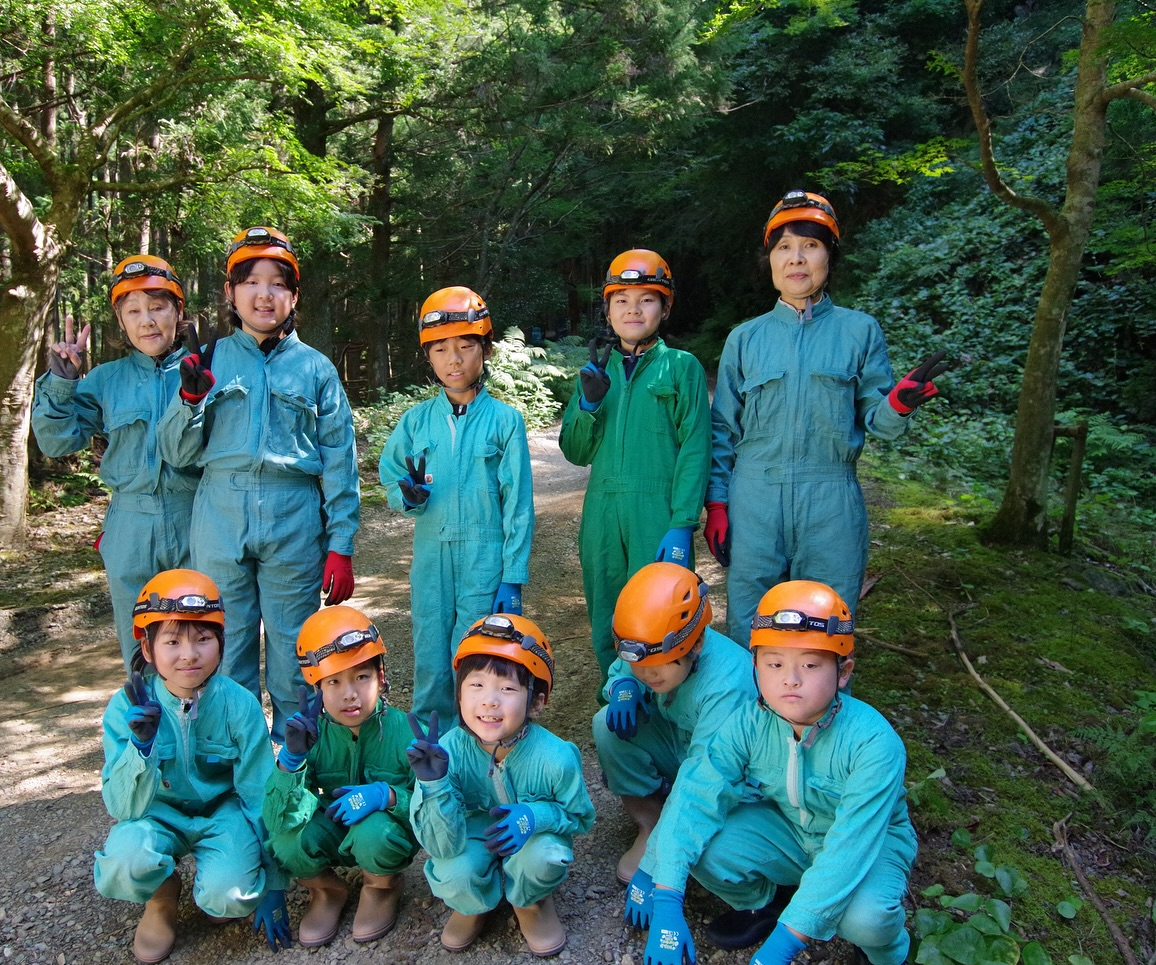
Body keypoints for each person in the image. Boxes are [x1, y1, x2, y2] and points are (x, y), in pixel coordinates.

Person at [641, 580, 916, 965]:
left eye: (809, 666)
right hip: (790, 829)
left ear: (843, 672)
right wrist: (666, 894)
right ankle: (763, 905)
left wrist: (784, 946)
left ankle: (885, 958)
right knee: (705, 848)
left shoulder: (873, 744)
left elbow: (849, 848)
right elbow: (696, 796)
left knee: (867, 919)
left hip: (865, 845)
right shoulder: (749, 723)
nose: (789, 680)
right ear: (755, 667)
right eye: (773, 664)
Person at [705, 191, 949, 646]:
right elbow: (723, 432)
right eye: (783, 247)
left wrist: (897, 404)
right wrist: (717, 504)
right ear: (770, 260)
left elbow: (877, 419)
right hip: (754, 500)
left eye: (810, 245)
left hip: (832, 503)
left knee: (828, 631)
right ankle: (749, 716)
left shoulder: (860, 331)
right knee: (748, 630)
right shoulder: (745, 338)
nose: (796, 258)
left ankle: (823, 716)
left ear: (830, 256)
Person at [158, 227, 360, 742]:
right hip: (220, 511)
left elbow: (339, 460)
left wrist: (340, 544)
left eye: (277, 284)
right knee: (227, 642)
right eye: (250, 282)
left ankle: (297, 761)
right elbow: (178, 456)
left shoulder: (315, 368)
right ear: (230, 293)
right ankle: (239, 760)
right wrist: (189, 401)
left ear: (294, 296)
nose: (263, 294)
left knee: (296, 646)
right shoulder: (205, 360)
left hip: (294, 514)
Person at [93, 569, 291, 964]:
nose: (188, 654)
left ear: (220, 643)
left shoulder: (239, 705)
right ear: (148, 649)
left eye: (203, 638)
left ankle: (214, 883)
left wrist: (274, 882)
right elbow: (122, 808)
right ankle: (162, 896)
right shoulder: (126, 708)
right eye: (172, 641)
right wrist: (140, 747)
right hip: (156, 815)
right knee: (124, 861)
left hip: (222, 814)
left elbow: (258, 794)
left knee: (230, 899)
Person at [31, 255, 201, 671]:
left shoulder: (205, 366)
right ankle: (148, 729)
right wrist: (61, 380)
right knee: (141, 643)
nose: (147, 321)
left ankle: (208, 730)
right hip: (130, 524)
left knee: (202, 637)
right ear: (121, 323)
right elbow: (56, 442)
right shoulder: (106, 379)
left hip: (198, 516)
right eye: (134, 312)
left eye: (158, 307)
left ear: (178, 312)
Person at [379, 286, 534, 724]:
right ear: (428, 356)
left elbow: (518, 505)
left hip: (485, 559)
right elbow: (392, 474)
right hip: (431, 555)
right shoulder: (416, 420)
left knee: (474, 657)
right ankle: (429, 751)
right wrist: (405, 496)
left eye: (466, 346)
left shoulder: (505, 421)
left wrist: (514, 576)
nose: (454, 359)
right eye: (441, 349)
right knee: (430, 652)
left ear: (484, 349)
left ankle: (474, 745)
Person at [558, 249, 711, 682]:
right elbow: (575, 451)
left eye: (646, 299)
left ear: (665, 307)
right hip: (602, 511)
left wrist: (683, 522)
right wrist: (588, 401)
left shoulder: (682, 368)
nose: (633, 309)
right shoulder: (595, 372)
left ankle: (667, 704)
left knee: (661, 612)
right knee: (606, 605)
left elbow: (695, 449)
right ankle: (617, 692)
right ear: (607, 310)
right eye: (621, 300)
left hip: (657, 513)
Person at [407, 614, 596, 957]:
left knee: (544, 857)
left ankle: (530, 902)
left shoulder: (556, 757)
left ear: (536, 701)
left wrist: (533, 817)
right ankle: (474, 904)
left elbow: (579, 816)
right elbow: (441, 846)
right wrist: (432, 785)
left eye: (507, 688)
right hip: (475, 837)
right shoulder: (446, 752)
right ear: (459, 696)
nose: (489, 700)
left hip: (531, 841)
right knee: (453, 870)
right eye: (475, 685)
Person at [591, 563, 757, 887]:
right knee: (606, 724)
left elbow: (705, 776)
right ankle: (649, 821)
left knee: (716, 824)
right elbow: (626, 667)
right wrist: (623, 686)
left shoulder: (728, 685)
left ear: (694, 645)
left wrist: (657, 861)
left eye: (658, 664)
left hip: (732, 780)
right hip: (682, 749)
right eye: (639, 664)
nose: (647, 673)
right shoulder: (649, 637)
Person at [264, 605, 418, 947]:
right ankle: (326, 889)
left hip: (382, 834)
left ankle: (382, 886)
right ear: (315, 686)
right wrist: (291, 761)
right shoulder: (311, 733)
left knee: (374, 832)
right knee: (287, 840)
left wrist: (389, 796)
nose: (349, 694)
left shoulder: (405, 731)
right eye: (334, 681)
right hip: (333, 828)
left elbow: (431, 811)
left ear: (381, 676)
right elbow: (276, 820)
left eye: (361, 677)